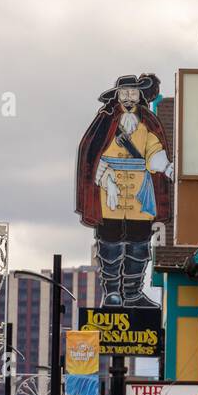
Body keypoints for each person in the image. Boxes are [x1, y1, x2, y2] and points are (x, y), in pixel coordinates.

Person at [75, 74, 173, 308]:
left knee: (139, 243)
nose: (129, 98)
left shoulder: (148, 121)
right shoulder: (105, 120)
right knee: (109, 242)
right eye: (125, 93)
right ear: (117, 95)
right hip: (110, 193)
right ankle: (111, 292)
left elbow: (154, 150)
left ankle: (132, 292)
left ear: (139, 96)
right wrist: (105, 178)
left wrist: (166, 167)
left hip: (140, 193)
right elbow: (93, 153)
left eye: (133, 93)